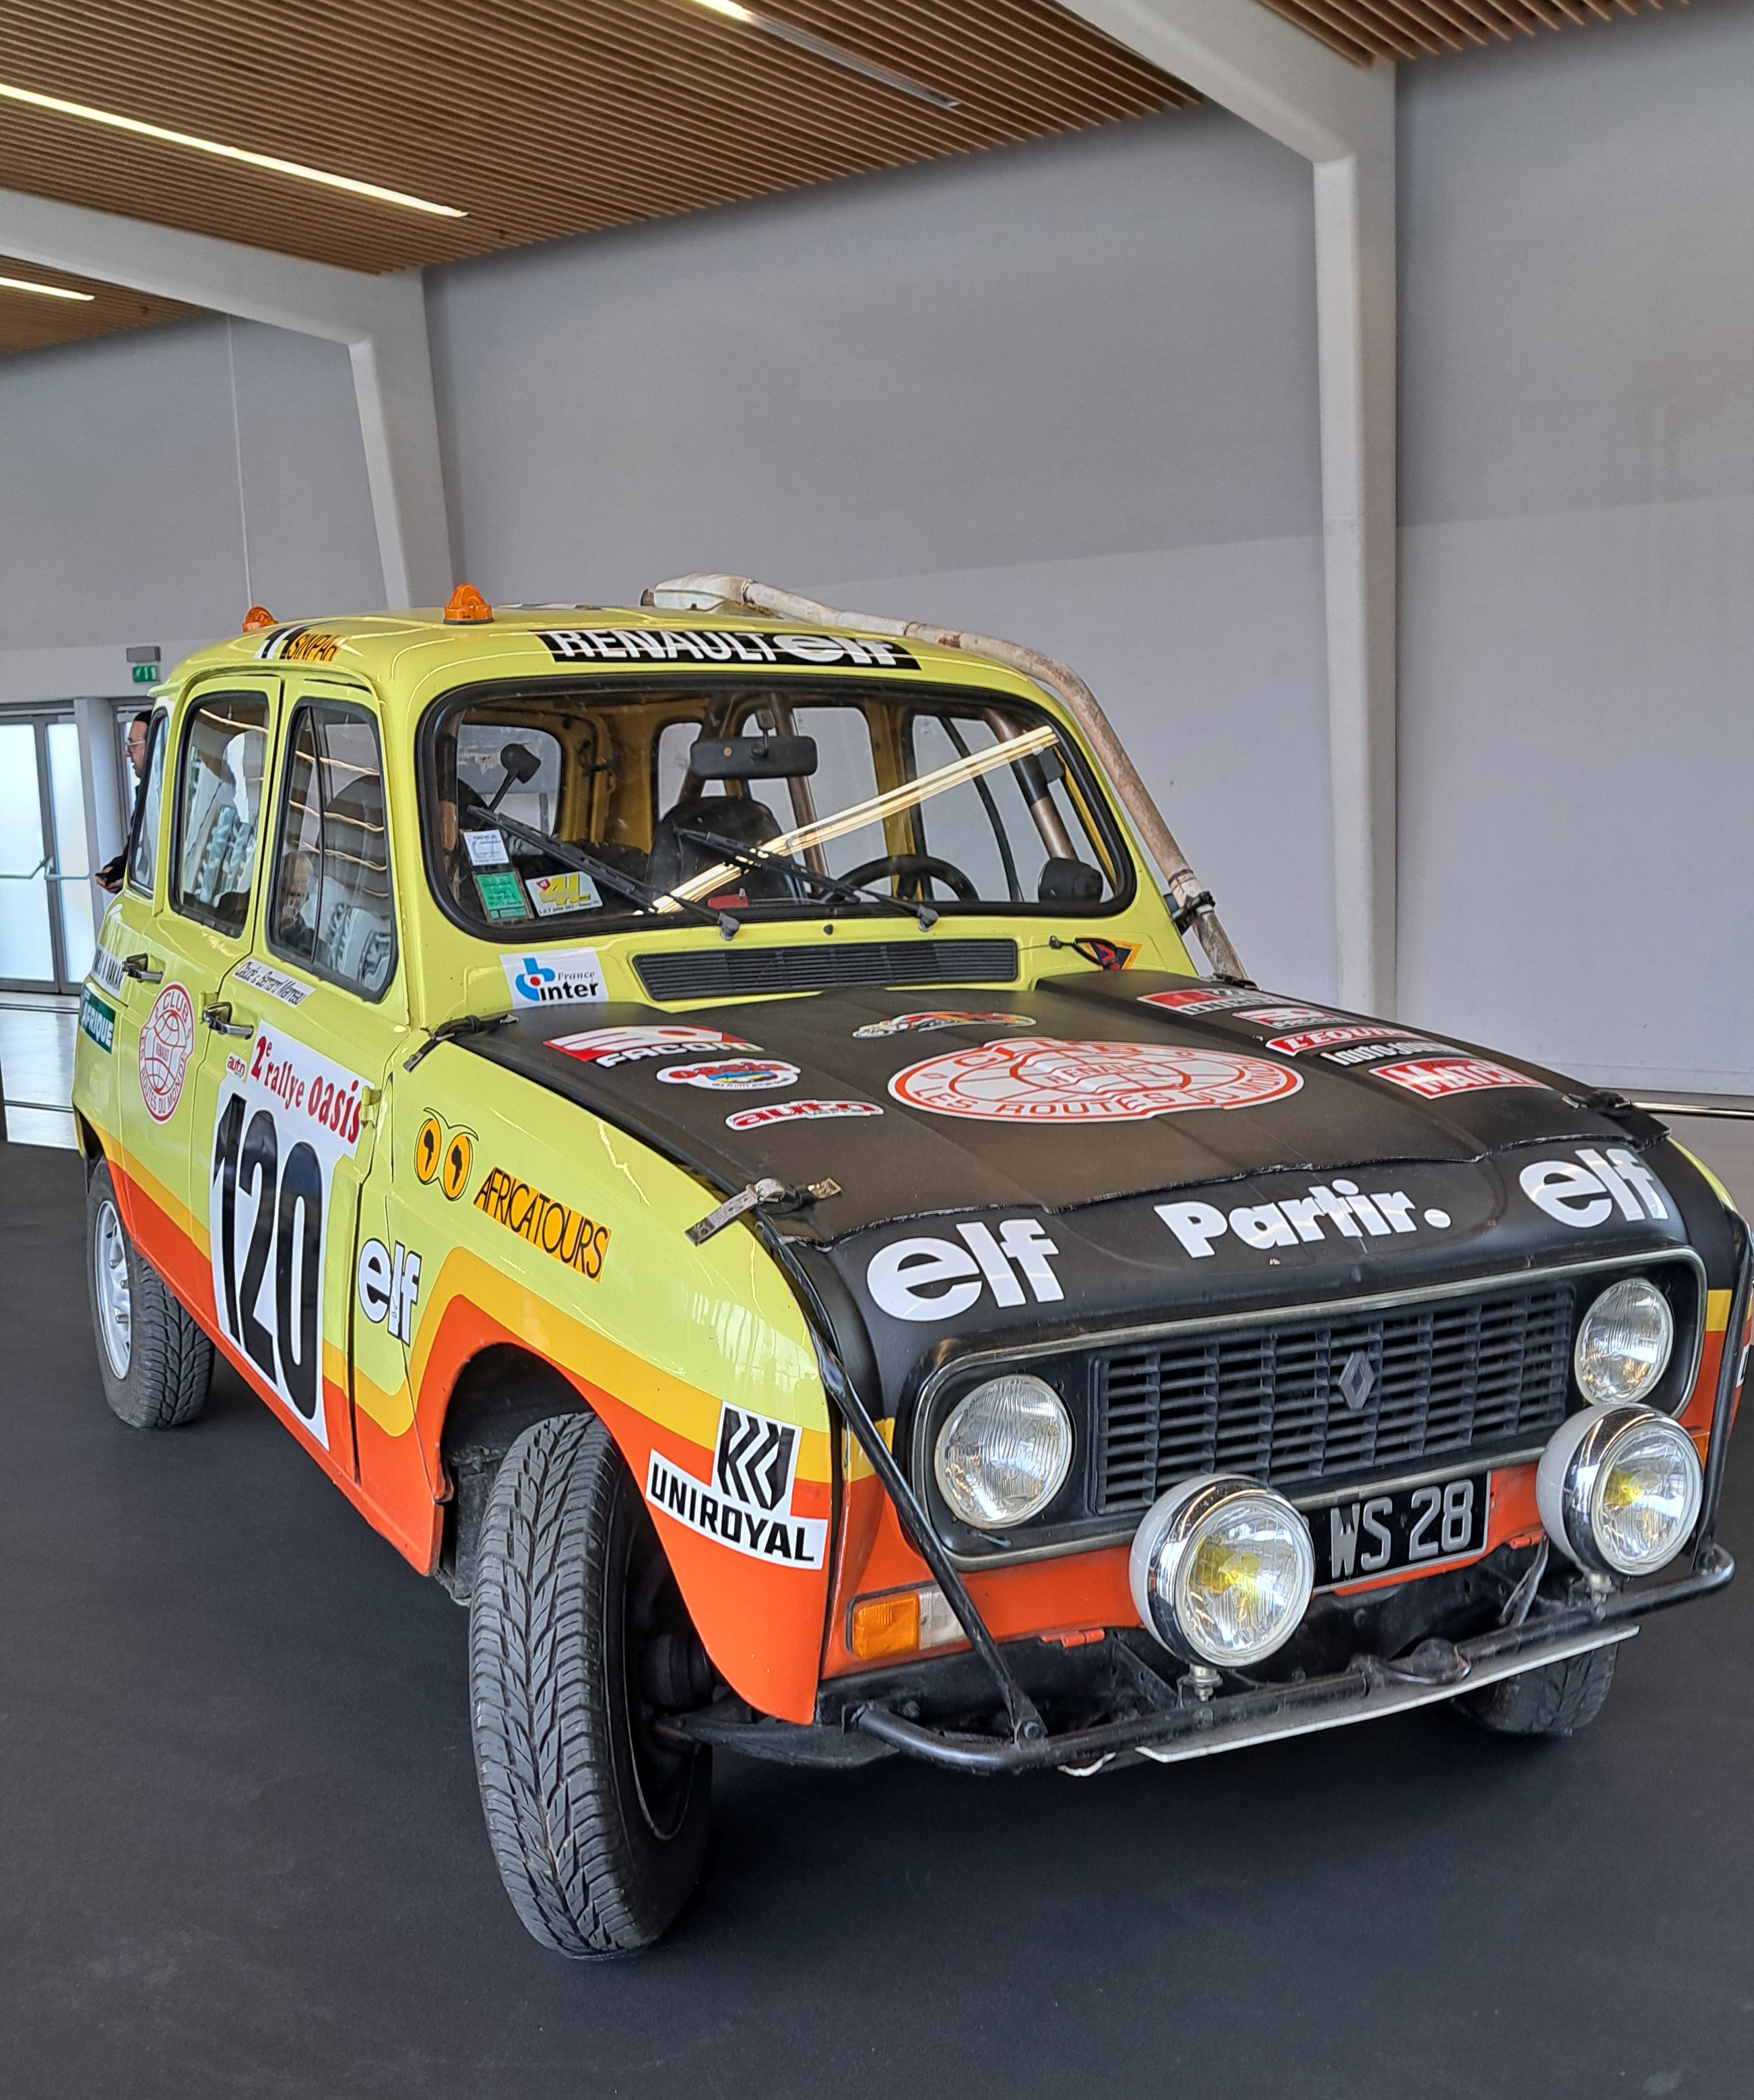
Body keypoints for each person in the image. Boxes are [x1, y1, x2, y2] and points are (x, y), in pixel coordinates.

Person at [96, 711, 153, 893]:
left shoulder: (180, 792)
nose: (127, 753)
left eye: (133, 745)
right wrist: (118, 869)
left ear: (154, 745)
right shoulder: (146, 791)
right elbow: (136, 847)